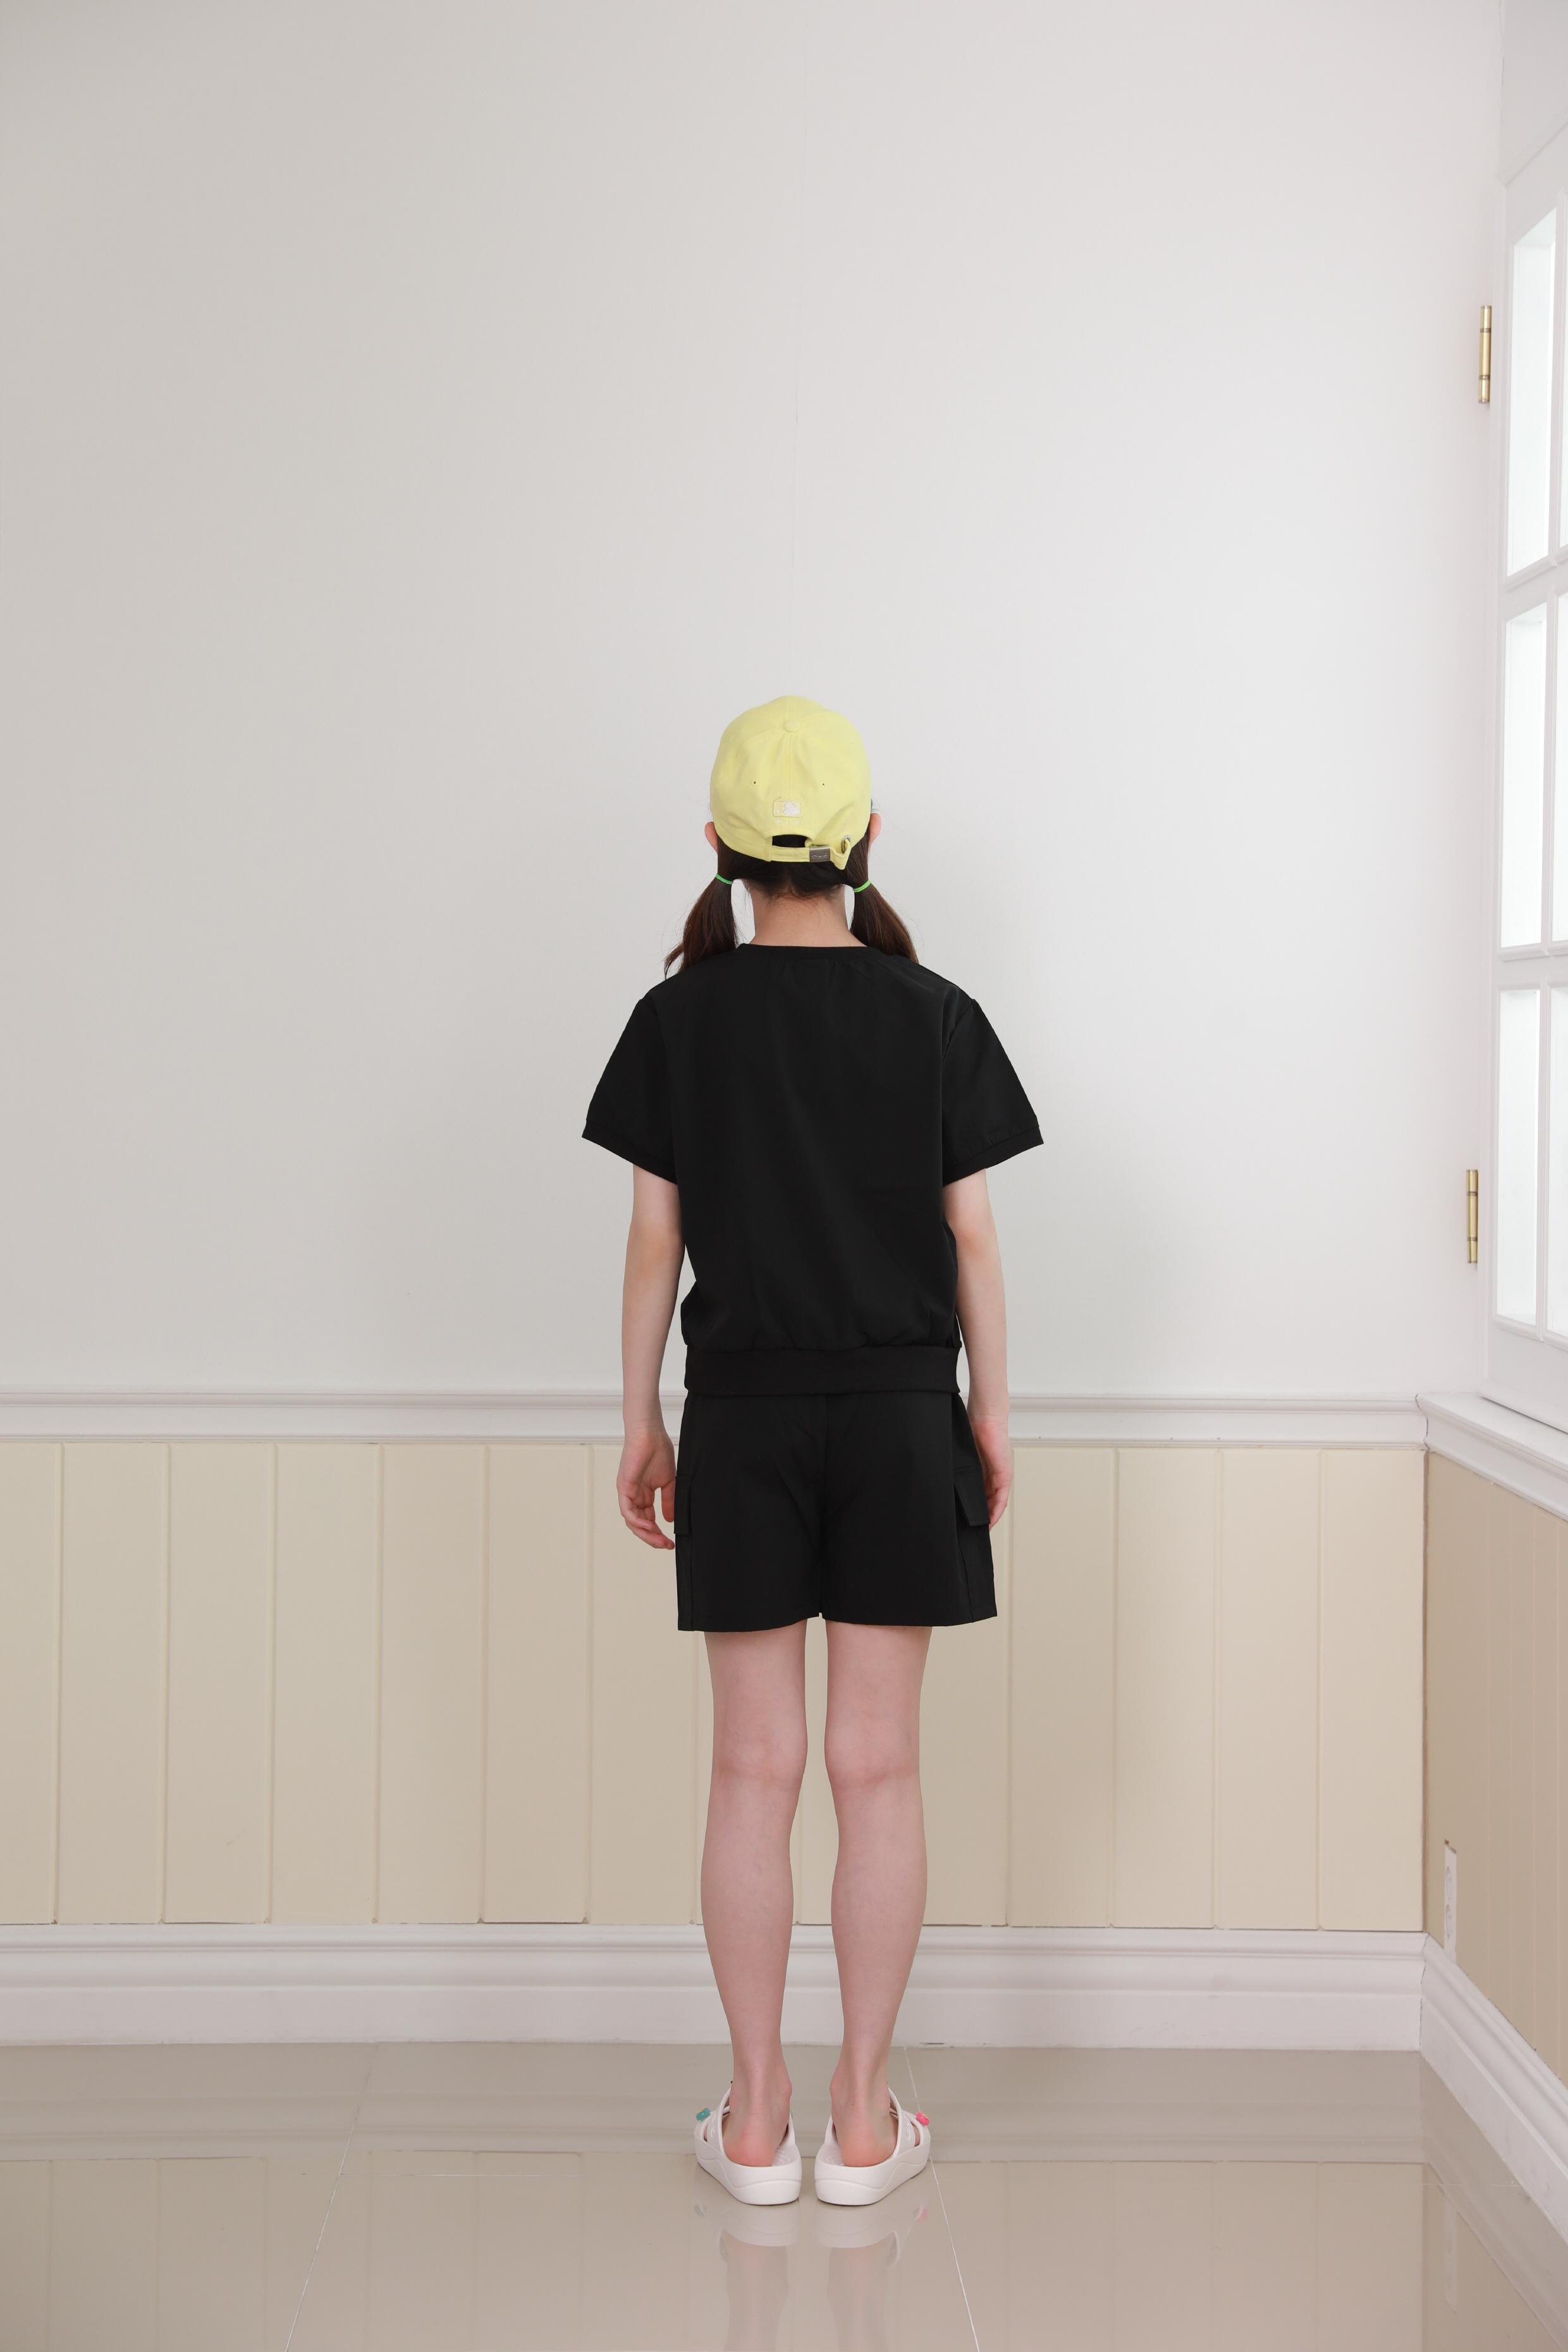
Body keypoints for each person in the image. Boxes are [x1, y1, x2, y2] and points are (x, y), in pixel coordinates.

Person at [583, 695, 1041, 2208]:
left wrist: (642, 1418)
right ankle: (860, 2122)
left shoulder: (675, 1021)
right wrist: (987, 1414)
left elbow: (654, 1243)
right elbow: (973, 1237)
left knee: (752, 1766)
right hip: (903, 1416)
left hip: (745, 1416)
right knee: (878, 1766)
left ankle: (756, 2119)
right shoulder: (937, 1016)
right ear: (865, 841)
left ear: (717, 845)